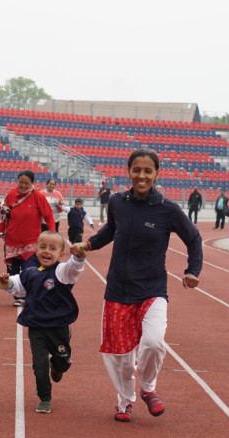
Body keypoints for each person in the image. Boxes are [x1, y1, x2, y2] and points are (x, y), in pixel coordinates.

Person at [72, 149, 202, 423]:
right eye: (136, 170)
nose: (141, 175)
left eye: (147, 171)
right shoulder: (118, 202)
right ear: (129, 172)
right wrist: (88, 244)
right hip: (118, 289)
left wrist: (192, 271)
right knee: (121, 356)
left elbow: (193, 238)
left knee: (153, 343)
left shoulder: (168, 209)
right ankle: (125, 402)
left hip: (152, 290)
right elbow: (110, 230)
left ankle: (149, 388)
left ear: (156, 174)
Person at [0, 231, 87, 414]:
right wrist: (5, 282)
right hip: (37, 327)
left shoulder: (61, 272)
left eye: (53, 248)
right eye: (43, 247)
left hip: (59, 328)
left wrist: (78, 259)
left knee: (62, 362)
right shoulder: (29, 273)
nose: (47, 251)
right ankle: (45, 398)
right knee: (39, 367)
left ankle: (58, 366)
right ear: (36, 250)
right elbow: (17, 286)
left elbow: (73, 269)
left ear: (61, 254)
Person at [0, 170, 55, 307]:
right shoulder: (11, 195)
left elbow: (48, 216)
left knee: (30, 269)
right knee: (12, 271)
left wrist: (53, 235)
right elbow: (5, 215)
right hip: (12, 241)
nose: (23, 185)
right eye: (21, 182)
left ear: (32, 183)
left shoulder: (38, 197)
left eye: (26, 183)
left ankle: (29, 295)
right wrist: (0, 229)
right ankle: (18, 297)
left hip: (31, 242)